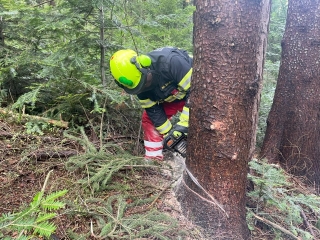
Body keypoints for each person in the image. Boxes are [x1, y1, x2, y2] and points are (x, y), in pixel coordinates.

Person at [109, 47, 192, 160]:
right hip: (170, 99)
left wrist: (183, 125)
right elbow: (153, 110)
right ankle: (154, 159)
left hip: (194, 96)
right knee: (148, 118)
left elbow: (197, 93)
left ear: (144, 65)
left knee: (202, 119)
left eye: (145, 83)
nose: (143, 88)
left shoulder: (170, 62)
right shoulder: (138, 86)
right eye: (139, 87)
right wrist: (169, 135)